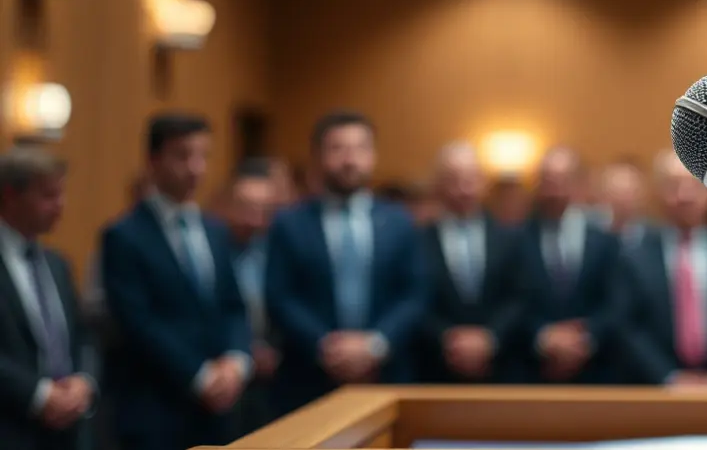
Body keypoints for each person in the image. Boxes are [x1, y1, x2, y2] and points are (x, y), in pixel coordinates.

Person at [102, 114, 252, 450]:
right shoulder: (124, 236)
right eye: (183, 156)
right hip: (157, 408)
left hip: (220, 408)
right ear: (153, 160)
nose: (196, 168)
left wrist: (236, 361)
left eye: (203, 156)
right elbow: (138, 322)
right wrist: (200, 376)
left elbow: (233, 305)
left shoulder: (216, 230)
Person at [265, 112, 427, 414]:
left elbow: (414, 294)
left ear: (373, 155)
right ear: (318, 157)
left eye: (360, 148)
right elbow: (279, 296)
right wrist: (326, 346)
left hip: (386, 376)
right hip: (307, 380)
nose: (350, 160)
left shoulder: (399, 221)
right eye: (337, 149)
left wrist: (375, 344)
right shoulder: (289, 223)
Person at [613, 150, 707, 387]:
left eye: (694, 184)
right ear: (658, 192)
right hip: (654, 392)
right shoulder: (634, 258)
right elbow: (628, 327)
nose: (684, 195)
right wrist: (669, 378)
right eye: (673, 185)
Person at [0, 148, 96, 450]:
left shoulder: (57, 264)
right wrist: (38, 395)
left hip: (70, 431)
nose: (60, 205)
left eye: (61, 194)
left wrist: (84, 380)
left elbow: (83, 335)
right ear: (10, 195)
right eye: (48, 195)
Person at [418, 142, 529, 383]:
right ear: (439, 184)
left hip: (502, 368)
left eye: (470, 179)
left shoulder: (510, 238)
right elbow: (415, 299)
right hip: (436, 369)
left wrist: (490, 338)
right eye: (454, 180)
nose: (463, 189)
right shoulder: (419, 240)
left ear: (483, 182)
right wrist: (447, 338)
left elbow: (519, 297)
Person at [525, 148, 622, 384]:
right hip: (534, 370)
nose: (555, 191)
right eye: (548, 182)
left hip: (597, 371)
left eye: (562, 181)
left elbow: (617, 302)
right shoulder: (518, 239)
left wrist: (586, 338)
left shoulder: (606, 241)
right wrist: (543, 336)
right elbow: (513, 300)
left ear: (579, 184)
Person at [217, 159, 280, 436]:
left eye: (264, 210)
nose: (254, 220)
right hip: (221, 375)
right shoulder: (211, 249)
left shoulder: (274, 250)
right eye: (245, 208)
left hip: (271, 380)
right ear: (226, 203)